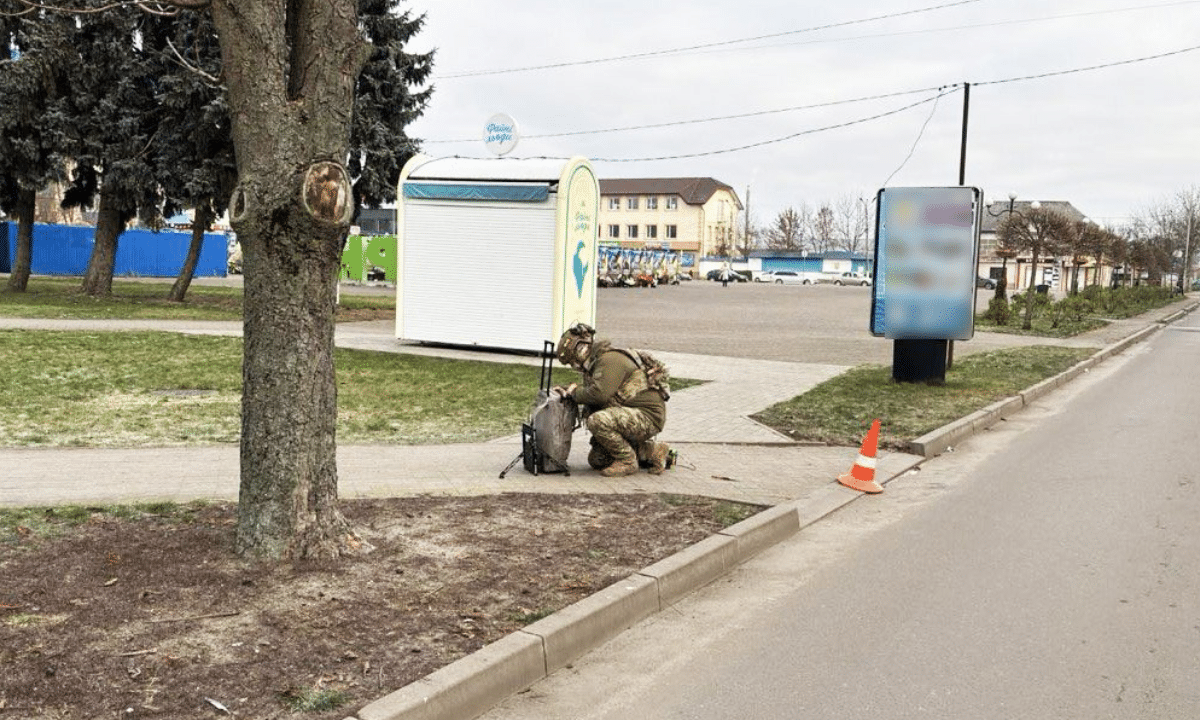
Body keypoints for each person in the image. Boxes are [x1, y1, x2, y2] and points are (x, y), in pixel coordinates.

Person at [554, 323, 671, 477]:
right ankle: (653, 451)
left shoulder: (609, 360)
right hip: (632, 413)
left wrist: (573, 393)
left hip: (648, 416)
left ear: (581, 350)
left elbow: (599, 394)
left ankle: (627, 461)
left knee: (597, 421)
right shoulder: (598, 363)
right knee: (598, 459)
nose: (574, 365)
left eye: (572, 360)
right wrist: (567, 390)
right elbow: (596, 391)